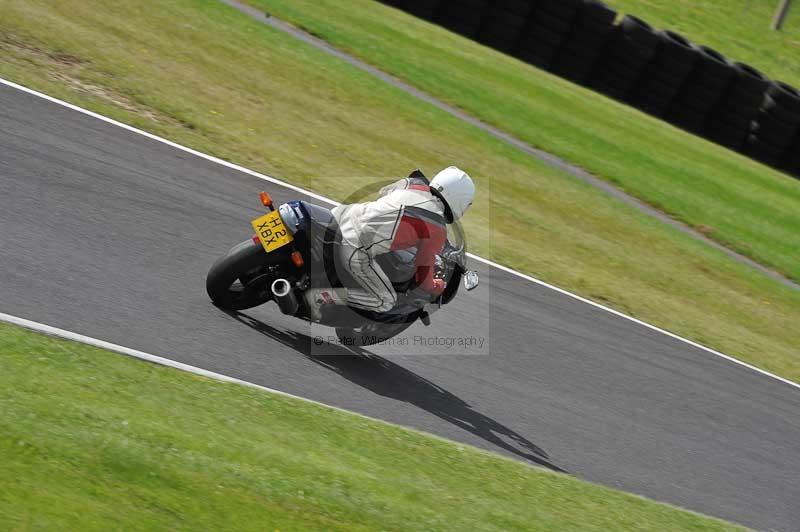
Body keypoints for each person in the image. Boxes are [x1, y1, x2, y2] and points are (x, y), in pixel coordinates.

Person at [304, 166, 475, 320]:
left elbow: (383, 193)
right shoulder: (437, 228)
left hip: (340, 216)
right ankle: (322, 297)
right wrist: (436, 286)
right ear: (460, 200)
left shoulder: (412, 184)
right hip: (354, 246)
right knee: (385, 300)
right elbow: (422, 275)